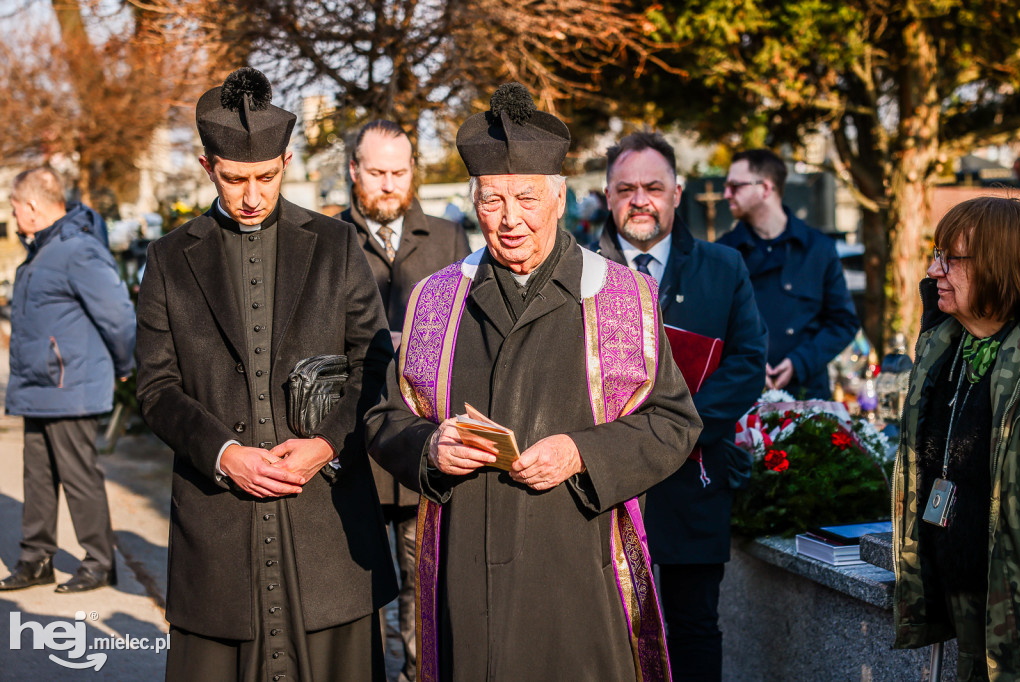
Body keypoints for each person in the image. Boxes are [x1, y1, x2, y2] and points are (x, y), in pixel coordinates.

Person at [365, 83, 701, 681]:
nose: (510, 219)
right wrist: (430, 447)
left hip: (579, 574)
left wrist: (581, 452)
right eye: (492, 201)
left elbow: (674, 422)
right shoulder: (437, 299)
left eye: (526, 198)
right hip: (467, 579)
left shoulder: (620, 295)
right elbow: (386, 418)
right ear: (473, 200)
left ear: (559, 196)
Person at [135, 67, 397, 681]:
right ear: (207, 167)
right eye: (234, 179)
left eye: (267, 176)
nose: (252, 195)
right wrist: (224, 454)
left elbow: (376, 359)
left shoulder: (335, 244)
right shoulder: (169, 259)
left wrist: (326, 443)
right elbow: (156, 389)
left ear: (284, 161)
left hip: (328, 523)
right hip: (217, 526)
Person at [593, 132, 767, 681]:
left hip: (695, 477)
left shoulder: (724, 267)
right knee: (610, 631)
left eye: (653, 186)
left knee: (693, 628)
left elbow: (746, 363)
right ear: (607, 195)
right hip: (605, 487)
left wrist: (673, 433)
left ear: (677, 192)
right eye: (626, 188)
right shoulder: (575, 273)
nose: (639, 199)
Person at [342, 119, 471, 682]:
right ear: (353, 171)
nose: (390, 184)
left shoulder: (448, 239)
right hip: (353, 441)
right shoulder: (328, 240)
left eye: (400, 172)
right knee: (355, 591)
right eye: (377, 172)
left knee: (426, 586)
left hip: (423, 442)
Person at [892, 197, 1020, 681]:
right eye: (935, 254)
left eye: (951, 258)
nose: (933, 270)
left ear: (998, 265)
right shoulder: (945, 344)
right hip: (960, 589)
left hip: (1011, 597)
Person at [0, 167, 134, 594]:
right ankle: (35, 559)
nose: (14, 215)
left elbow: (118, 315)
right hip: (38, 386)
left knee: (79, 477)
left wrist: (126, 363)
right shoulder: (41, 249)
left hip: (70, 386)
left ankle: (99, 563)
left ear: (33, 206)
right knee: (36, 477)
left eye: (15, 207)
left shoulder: (77, 249)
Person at [717, 149, 859, 398]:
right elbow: (711, 326)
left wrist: (799, 362)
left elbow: (843, 322)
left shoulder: (819, 248)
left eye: (735, 186)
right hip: (741, 396)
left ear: (765, 188)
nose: (726, 193)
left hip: (808, 398)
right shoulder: (723, 252)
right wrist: (746, 362)